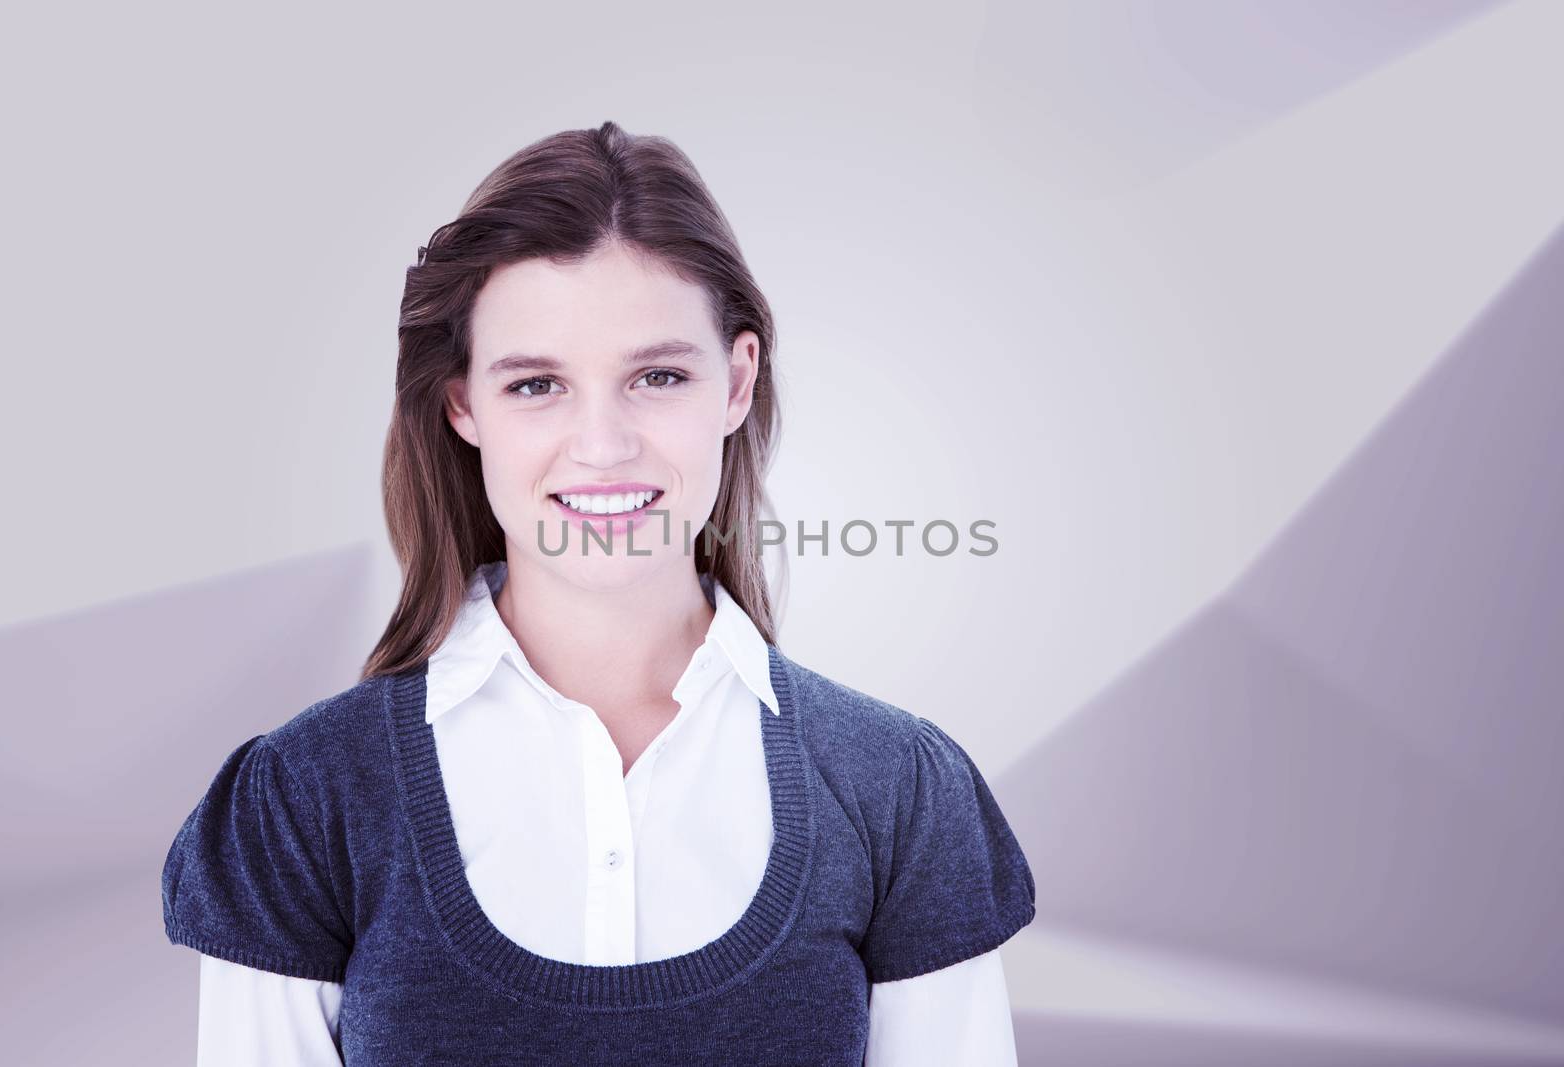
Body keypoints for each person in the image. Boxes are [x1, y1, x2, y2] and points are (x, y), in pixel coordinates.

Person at [161, 120, 1036, 1065]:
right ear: (462, 403)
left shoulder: (899, 793)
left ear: (737, 384)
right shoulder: (303, 802)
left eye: (658, 375)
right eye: (537, 384)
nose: (603, 444)